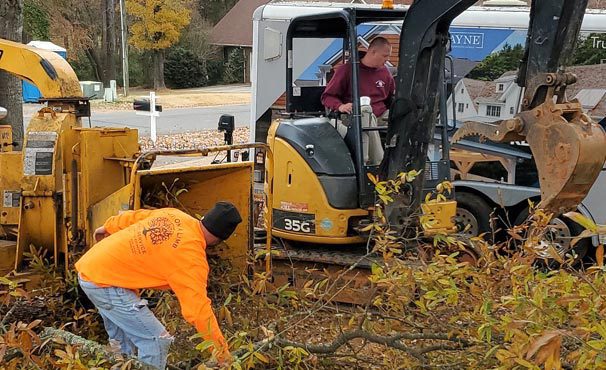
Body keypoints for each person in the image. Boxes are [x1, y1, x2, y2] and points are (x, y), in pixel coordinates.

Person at [75, 202, 243, 369]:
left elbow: (134, 216)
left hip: (91, 269)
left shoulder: (175, 215)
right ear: (220, 239)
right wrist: (222, 354)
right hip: (106, 284)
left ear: (205, 217)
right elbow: (198, 311)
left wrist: (108, 226)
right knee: (156, 341)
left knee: (123, 346)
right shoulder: (191, 258)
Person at [321, 36, 396, 118]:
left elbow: (391, 98)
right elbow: (327, 96)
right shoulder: (347, 70)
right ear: (373, 52)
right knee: (365, 112)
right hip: (354, 117)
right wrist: (340, 106)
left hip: (381, 115)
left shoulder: (385, 73)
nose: (387, 59)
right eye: (385, 56)